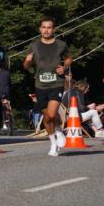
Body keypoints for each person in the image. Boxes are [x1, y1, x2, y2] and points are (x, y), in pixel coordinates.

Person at [23, 17, 72, 156]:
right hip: (40, 85)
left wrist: (64, 67)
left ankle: (59, 130)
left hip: (56, 83)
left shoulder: (61, 45)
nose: (46, 30)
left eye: (49, 27)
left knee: (52, 113)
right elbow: (26, 66)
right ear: (40, 29)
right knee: (47, 117)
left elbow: (69, 58)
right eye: (44, 27)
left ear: (53, 29)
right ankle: (53, 143)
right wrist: (27, 61)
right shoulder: (34, 46)